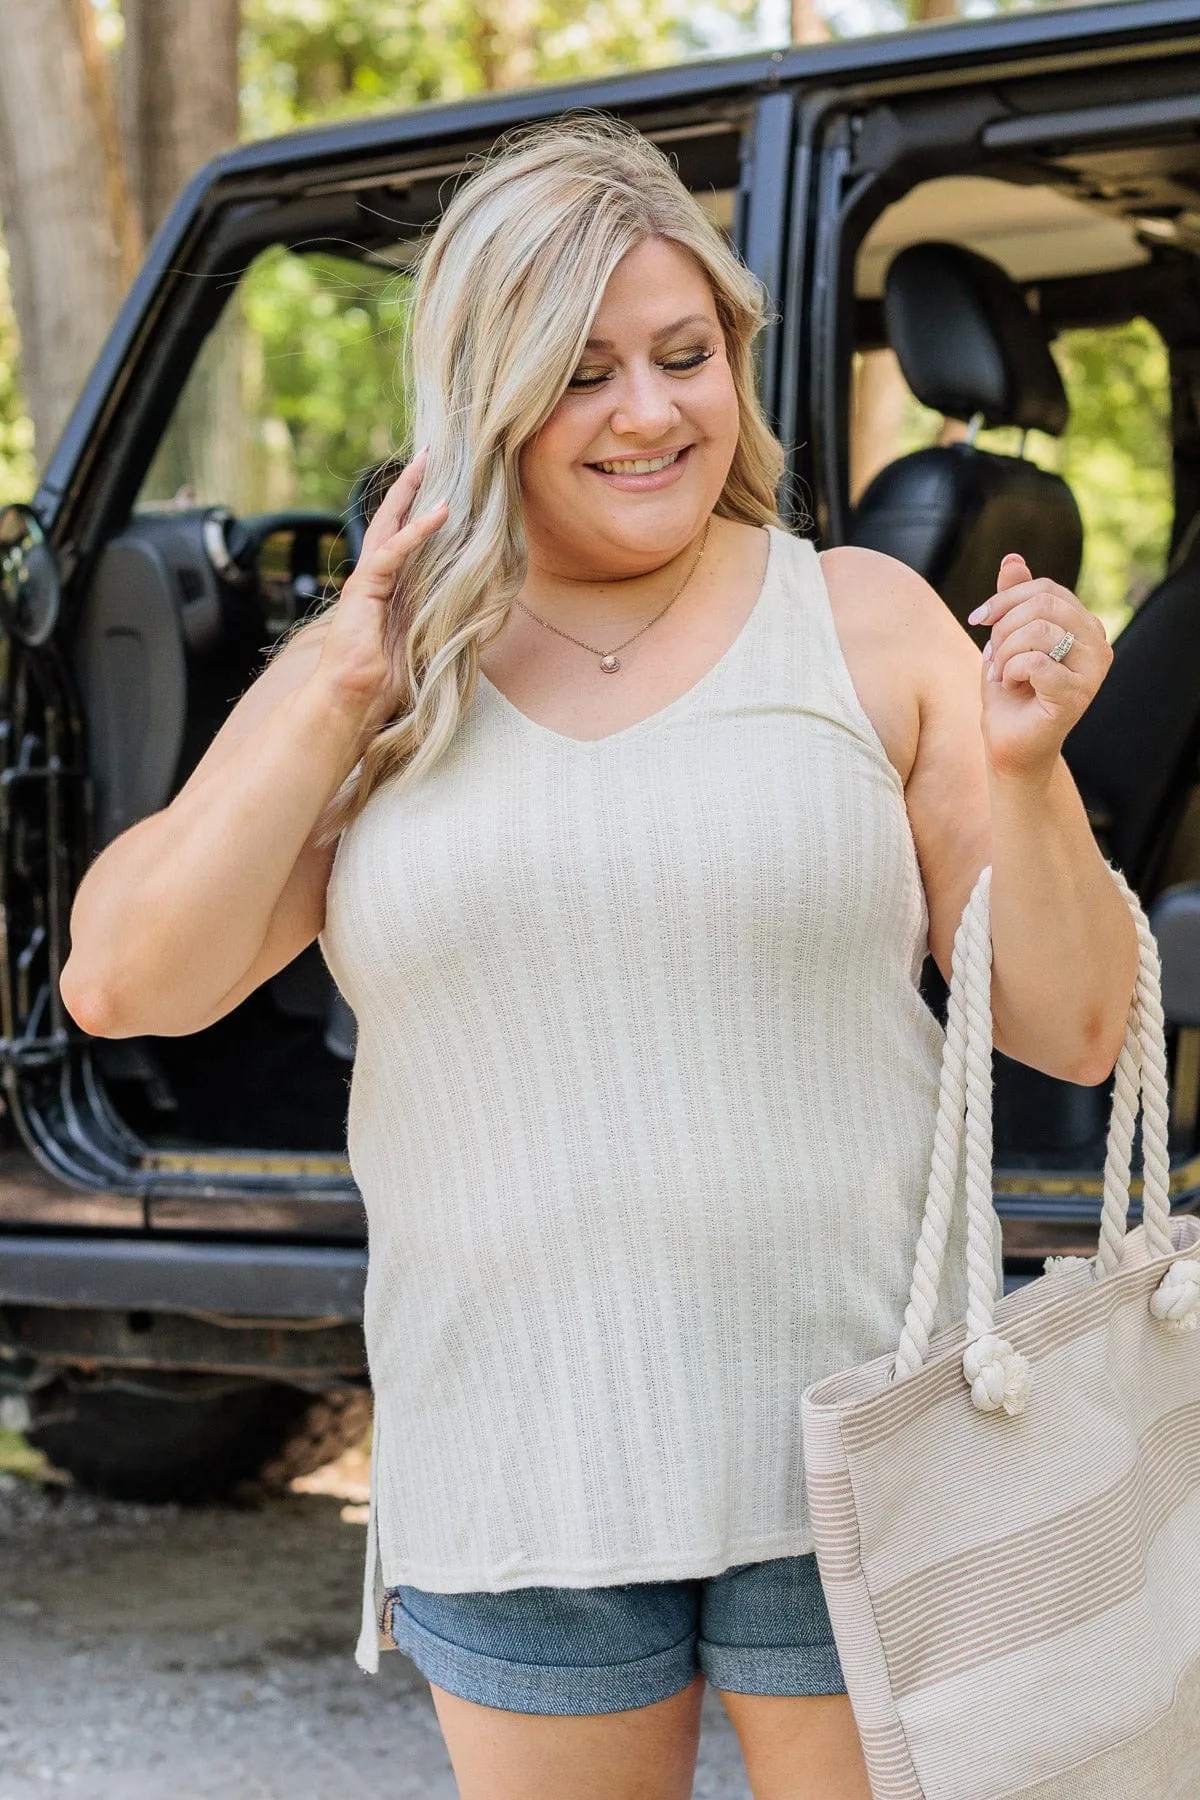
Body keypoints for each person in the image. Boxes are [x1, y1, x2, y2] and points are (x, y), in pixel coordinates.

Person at [61, 115, 1137, 1800]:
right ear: (481, 397)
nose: (648, 413)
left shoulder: (860, 624)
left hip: (865, 1431)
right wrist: (346, 670)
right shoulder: (387, 678)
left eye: (682, 355)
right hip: (519, 1452)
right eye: (578, 371)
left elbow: (1077, 1028)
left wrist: (1026, 765)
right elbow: (126, 981)